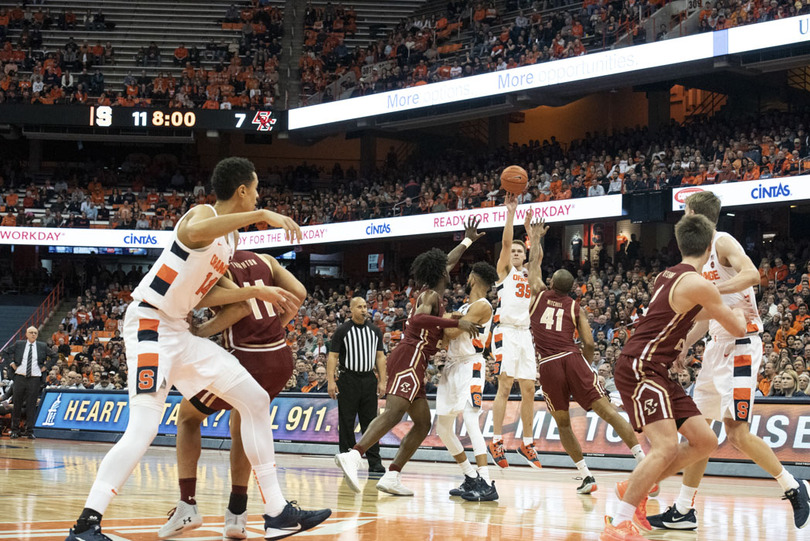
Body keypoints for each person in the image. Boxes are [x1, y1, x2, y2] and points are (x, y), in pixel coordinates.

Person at [65, 157, 331, 541]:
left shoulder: (232, 240)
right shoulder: (199, 216)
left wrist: (255, 291)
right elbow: (198, 231)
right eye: (255, 191)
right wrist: (263, 215)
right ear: (243, 191)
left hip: (179, 332)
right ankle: (86, 524)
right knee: (143, 428)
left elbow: (207, 291)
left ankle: (277, 513)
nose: (258, 196)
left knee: (254, 400)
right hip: (150, 326)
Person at [648, 190, 810, 531]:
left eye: (684, 211)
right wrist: (685, 345)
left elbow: (752, 274)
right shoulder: (701, 255)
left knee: (736, 432)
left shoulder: (722, 241)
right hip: (716, 345)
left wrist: (711, 292)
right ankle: (684, 508)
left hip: (741, 344)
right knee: (699, 433)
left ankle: (794, 487)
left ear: (693, 212)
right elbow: (708, 317)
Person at [601, 214, 748, 541]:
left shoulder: (667, 276)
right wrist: (740, 308)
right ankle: (619, 521)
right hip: (640, 367)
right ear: (711, 247)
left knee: (705, 441)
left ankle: (633, 486)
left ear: (680, 244)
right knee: (666, 446)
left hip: (656, 368)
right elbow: (737, 327)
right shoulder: (698, 283)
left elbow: (694, 312)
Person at [158, 249, 307, 540]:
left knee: (188, 417)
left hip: (247, 357)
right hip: (279, 358)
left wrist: (201, 333)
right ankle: (236, 515)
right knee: (244, 424)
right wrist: (278, 325)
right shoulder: (265, 259)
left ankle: (187, 504)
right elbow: (298, 292)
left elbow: (240, 308)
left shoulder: (216, 265)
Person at [335, 219, 482, 496]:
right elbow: (419, 318)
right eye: (447, 269)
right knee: (393, 413)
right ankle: (354, 455)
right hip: (410, 356)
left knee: (424, 423)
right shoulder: (430, 297)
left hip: (415, 359)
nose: (452, 270)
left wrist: (467, 241)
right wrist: (455, 324)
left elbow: (447, 262)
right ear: (441, 273)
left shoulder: (433, 290)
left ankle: (392, 476)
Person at [524, 215, 647, 495]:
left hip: (549, 365)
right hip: (572, 358)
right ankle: (642, 460)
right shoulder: (575, 307)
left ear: (552, 282)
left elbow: (534, 266)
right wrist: (585, 365)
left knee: (564, 424)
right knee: (607, 411)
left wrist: (536, 236)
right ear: (571, 289)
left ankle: (586, 476)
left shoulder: (538, 295)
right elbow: (589, 343)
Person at [435, 261, 499, 502]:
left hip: (470, 365)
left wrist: (447, 320)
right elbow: (446, 335)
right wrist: (451, 320)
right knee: (443, 427)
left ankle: (486, 480)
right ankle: (470, 476)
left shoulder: (482, 306)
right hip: (452, 366)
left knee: (471, 420)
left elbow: (449, 333)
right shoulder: (465, 307)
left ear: (472, 278)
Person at [488, 195, 542, 470]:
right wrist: (511, 214)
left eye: (521, 251)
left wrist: (534, 235)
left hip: (525, 334)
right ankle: (497, 440)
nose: (517, 253)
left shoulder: (529, 276)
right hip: (506, 331)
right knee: (505, 385)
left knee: (529, 389)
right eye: (514, 252)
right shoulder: (505, 272)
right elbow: (508, 242)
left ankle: (527, 442)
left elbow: (538, 260)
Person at [327, 297, 387, 476]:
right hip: (348, 378)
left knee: (370, 422)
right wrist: (331, 381)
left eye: (365, 306)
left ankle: (375, 462)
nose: (363, 310)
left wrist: (382, 381)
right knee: (346, 421)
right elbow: (332, 357)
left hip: (369, 379)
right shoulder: (342, 330)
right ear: (351, 310)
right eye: (359, 307)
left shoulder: (375, 330)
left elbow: (380, 357)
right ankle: (347, 459)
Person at [2, 326, 54, 439]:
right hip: (20, 377)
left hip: (34, 379)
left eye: (35, 333)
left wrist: (46, 367)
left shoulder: (42, 346)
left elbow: (54, 356)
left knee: (31, 405)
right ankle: (15, 430)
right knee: (17, 405)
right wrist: (11, 363)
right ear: (26, 334)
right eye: (31, 332)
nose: (33, 334)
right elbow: (4, 352)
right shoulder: (19, 344)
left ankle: (30, 431)